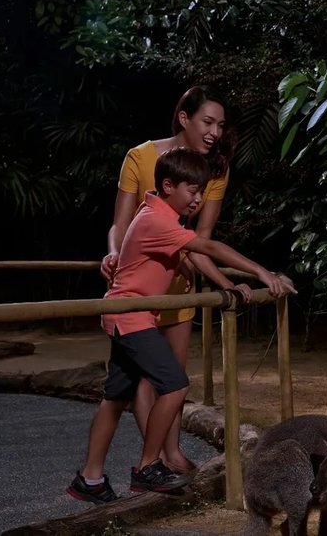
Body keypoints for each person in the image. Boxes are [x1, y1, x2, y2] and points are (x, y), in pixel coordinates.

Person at [68, 147, 295, 503]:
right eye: (193, 190)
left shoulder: (162, 216)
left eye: (202, 191)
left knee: (115, 399)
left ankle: (89, 479)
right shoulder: (156, 220)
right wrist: (262, 273)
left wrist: (228, 285)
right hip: (131, 316)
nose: (198, 199)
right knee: (175, 385)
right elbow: (209, 247)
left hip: (127, 315)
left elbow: (192, 253)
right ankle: (147, 468)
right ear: (168, 185)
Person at [101, 85, 233, 474]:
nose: (215, 133)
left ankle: (170, 454)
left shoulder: (216, 169)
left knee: (173, 376)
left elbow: (201, 237)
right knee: (142, 376)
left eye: (221, 125)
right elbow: (120, 224)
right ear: (184, 118)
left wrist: (220, 280)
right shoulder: (139, 156)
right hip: (137, 285)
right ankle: (154, 459)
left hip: (179, 284)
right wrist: (113, 253)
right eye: (208, 122)